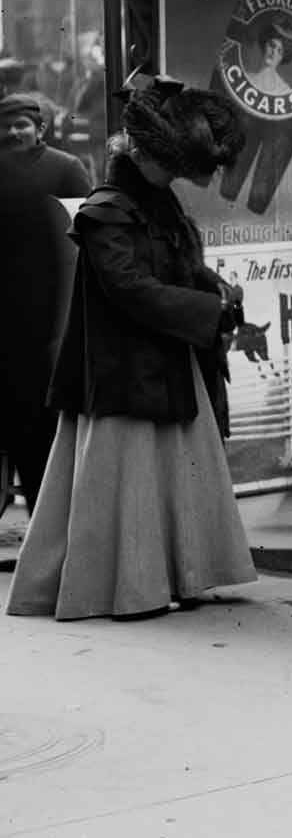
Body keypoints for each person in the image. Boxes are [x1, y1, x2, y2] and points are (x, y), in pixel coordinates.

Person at [5, 77, 257, 620]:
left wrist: (208, 283)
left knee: (169, 472)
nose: (177, 179)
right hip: (121, 372)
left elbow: (172, 265)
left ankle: (177, 577)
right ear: (140, 155)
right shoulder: (104, 211)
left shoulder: (157, 202)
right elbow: (129, 289)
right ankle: (131, 590)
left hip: (162, 363)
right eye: (171, 168)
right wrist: (207, 312)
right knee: (133, 480)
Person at [0, 93, 91, 513]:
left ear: (41, 128)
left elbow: (86, 243)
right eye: (7, 125)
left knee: (45, 432)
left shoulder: (66, 169)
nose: (14, 131)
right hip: (6, 322)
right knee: (15, 427)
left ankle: (47, 531)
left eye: (22, 124)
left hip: (51, 320)